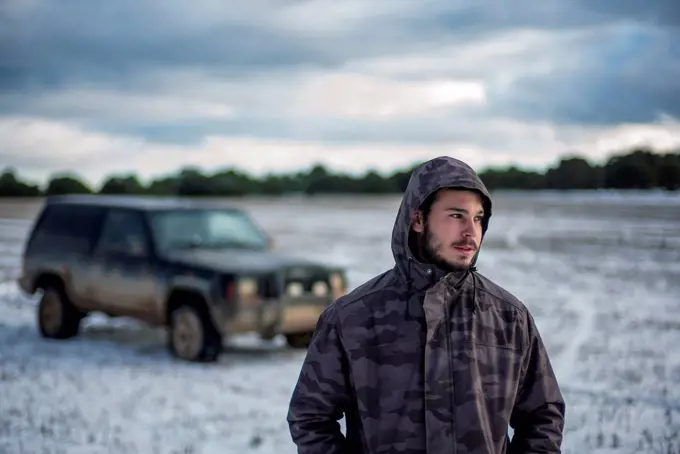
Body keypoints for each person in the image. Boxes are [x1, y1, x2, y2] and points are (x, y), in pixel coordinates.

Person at [287, 156, 566, 454]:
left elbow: (543, 418)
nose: (471, 233)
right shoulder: (353, 317)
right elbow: (311, 417)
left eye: (478, 218)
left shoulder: (509, 318)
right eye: (456, 216)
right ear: (418, 220)